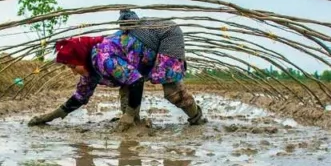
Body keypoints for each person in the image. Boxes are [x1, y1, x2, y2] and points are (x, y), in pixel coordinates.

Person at [27, 20, 205, 130]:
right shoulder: (90, 65)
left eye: (73, 66)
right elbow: (80, 97)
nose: (73, 72)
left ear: (80, 58)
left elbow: (136, 80)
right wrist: (50, 116)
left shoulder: (105, 59)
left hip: (166, 35)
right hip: (140, 53)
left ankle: (197, 118)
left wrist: (127, 115)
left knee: (172, 91)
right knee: (125, 83)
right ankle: (135, 123)